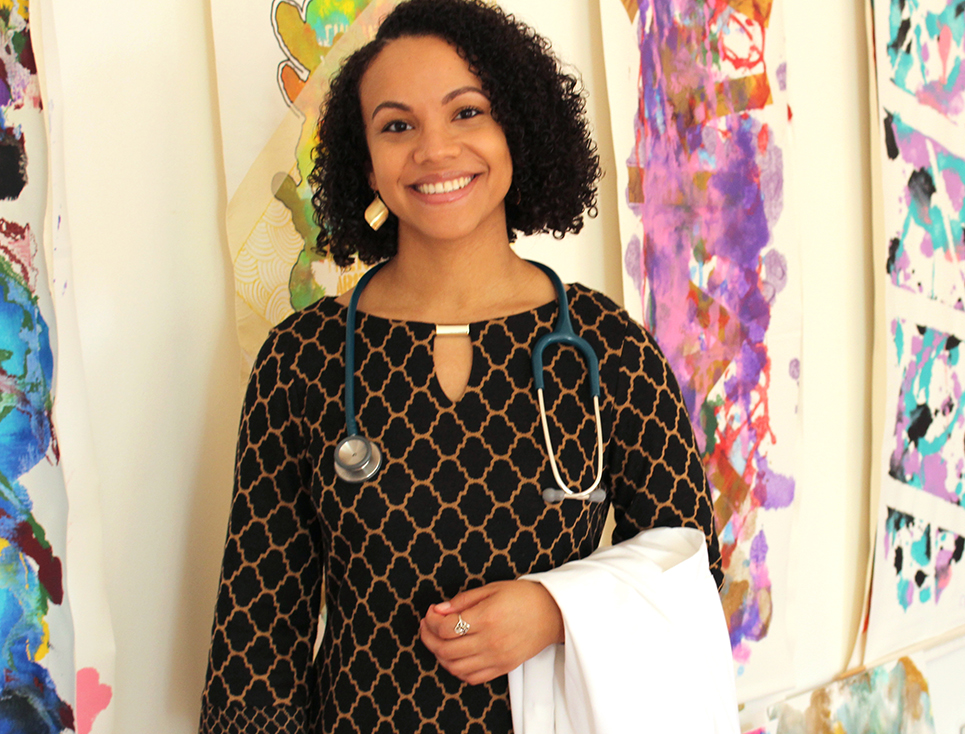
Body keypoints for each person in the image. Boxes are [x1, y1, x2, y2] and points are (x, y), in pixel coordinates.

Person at [198, 1, 722, 731]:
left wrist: (555, 611)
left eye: (467, 112)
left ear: (518, 128)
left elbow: (692, 572)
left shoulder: (606, 348)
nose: (435, 150)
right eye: (397, 125)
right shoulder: (302, 362)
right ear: (366, 160)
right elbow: (257, 645)